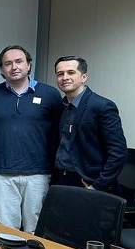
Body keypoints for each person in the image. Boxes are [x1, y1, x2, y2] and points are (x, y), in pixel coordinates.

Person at [0, 46, 62, 232]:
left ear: (28, 65)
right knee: (6, 229)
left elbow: (58, 135)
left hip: (38, 173)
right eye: (7, 63)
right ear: (1, 69)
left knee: (35, 229)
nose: (14, 67)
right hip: (1, 173)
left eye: (19, 61)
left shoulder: (50, 95)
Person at [52, 56, 127, 192]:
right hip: (63, 179)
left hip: (88, 182)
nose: (65, 77)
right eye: (60, 74)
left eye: (71, 72)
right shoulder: (61, 107)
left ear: (84, 77)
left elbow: (118, 152)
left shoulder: (102, 106)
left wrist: (98, 185)